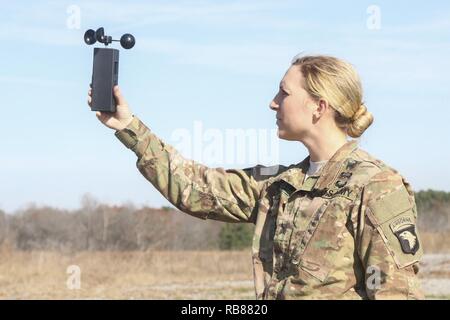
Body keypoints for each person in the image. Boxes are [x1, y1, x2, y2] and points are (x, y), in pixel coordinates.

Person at [87, 54, 424, 300]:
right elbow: (196, 188)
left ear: (318, 107)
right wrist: (130, 128)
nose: (273, 103)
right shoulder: (279, 185)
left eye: (284, 93)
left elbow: (396, 293)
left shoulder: (376, 186)